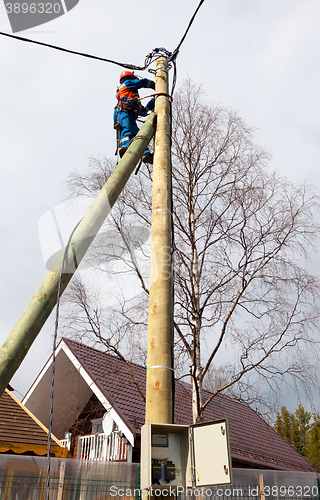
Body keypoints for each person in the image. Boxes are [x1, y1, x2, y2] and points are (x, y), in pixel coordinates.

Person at [114, 71, 155, 164]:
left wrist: (154, 100)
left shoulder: (132, 97)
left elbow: (144, 111)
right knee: (126, 129)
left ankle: (145, 154)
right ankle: (124, 146)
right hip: (122, 112)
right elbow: (143, 82)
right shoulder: (127, 83)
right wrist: (156, 86)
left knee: (138, 135)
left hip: (130, 114)